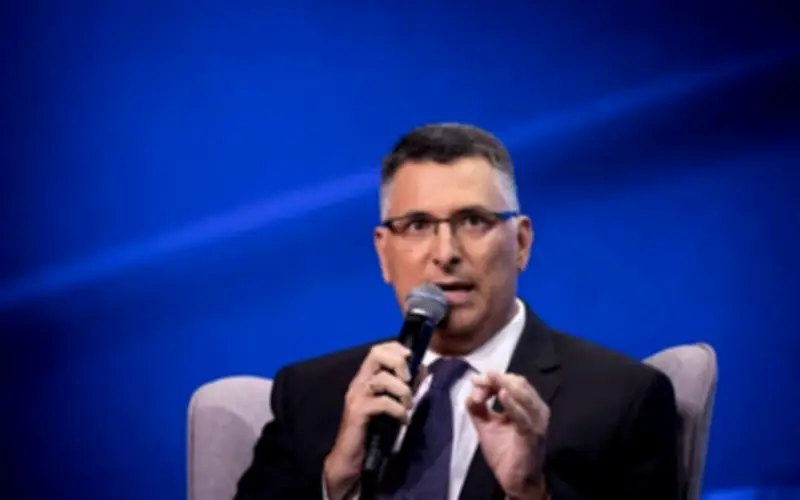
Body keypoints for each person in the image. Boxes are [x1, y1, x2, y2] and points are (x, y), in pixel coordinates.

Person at [234, 123, 681, 500]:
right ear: (384, 254)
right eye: (418, 225)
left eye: (473, 221)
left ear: (522, 243)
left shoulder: (621, 401)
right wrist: (335, 479)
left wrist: (531, 493)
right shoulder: (310, 395)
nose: (445, 253)